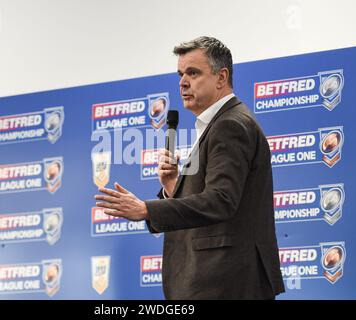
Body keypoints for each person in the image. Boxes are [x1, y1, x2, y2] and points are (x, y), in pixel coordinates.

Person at [95, 36, 285, 299]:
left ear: (221, 77)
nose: (183, 82)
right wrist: (173, 187)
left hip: (226, 284)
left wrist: (147, 209)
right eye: (181, 74)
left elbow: (221, 201)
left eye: (193, 73)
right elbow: (221, 201)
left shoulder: (230, 125)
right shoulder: (221, 123)